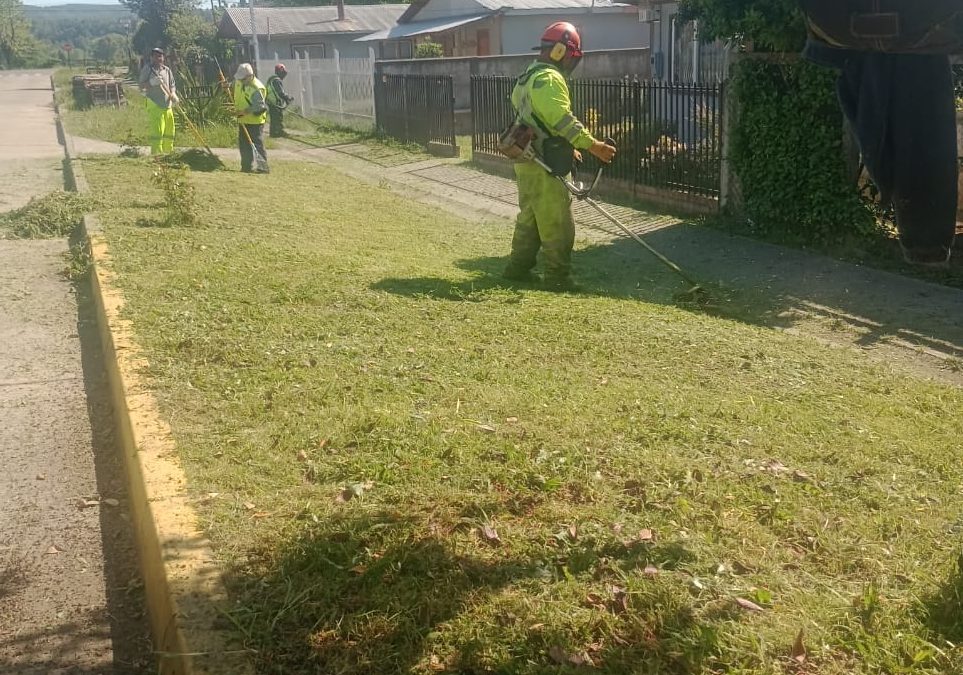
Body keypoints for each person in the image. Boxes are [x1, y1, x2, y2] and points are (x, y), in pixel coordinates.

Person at [801, 3, 960, 267]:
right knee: (926, 136)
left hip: (848, 30)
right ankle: (926, 241)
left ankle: (926, 240)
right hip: (921, 29)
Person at [503, 22, 616, 290]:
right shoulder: (549, 79)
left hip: (527, 159)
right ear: (558, 51)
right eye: (570, 55)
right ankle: (557, 277)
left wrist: (569, 145)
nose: (570, 62)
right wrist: (593, 145)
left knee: (529, 218)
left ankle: (517, 268)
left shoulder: (527, 76)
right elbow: (561, 119)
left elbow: (540, 119)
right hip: (546, 163)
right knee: (557, 221)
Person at [138, 47, 178, 155]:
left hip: (167, 106)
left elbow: (172, 85)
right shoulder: (148, 69)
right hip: (155, 105)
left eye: (160, 56)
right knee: (158, 133)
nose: (158, 58)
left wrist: (173, 94)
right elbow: (141, 87)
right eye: (155, 56)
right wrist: (151, 82)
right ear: (151, 58)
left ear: (163, 57)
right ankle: (157, 157)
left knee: (169, 133)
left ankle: (168, 155)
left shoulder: (167, 70)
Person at [232, 63, 270, 174]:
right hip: (242, 119)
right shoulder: (239, 81)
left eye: (243, 79)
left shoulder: (258, 88)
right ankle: (246, 167)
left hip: (255, 121)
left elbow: (258, 106)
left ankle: (263, 167)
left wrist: (243, 112)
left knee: (257, 145)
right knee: (243, 145)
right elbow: (233, 85)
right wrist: (226, 86)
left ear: (250, 76)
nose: (240, 81)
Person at [266, 63, 295, 138]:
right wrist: (288, 98)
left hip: (271, 101)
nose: (284, 75)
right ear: (280, 72)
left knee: (274, 118)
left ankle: (273, 133)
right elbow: (280, 93)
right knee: (278, 117)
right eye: (283, 73)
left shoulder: (272, 79)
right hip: (275, 102)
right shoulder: (277, 80)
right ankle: (279, 132)